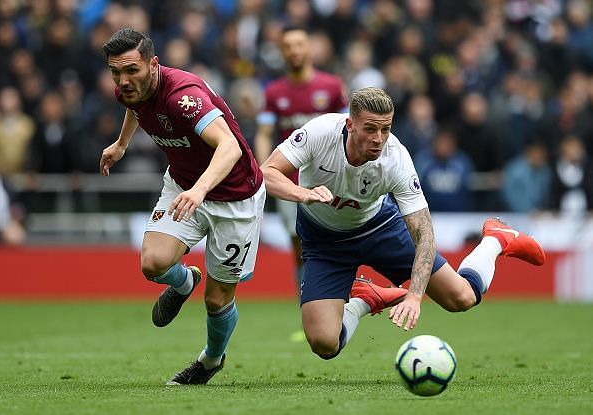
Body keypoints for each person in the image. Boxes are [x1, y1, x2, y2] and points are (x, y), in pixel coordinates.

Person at [260, 87, 545, 360]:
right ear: (350, 124)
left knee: (462, 298)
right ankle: (365, 301)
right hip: (324, 241)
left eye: (386, 129)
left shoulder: (396, 159)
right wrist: (302, 194)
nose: (378, 138)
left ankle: (496, 238)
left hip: (378, 228)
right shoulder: (318, 133)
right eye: (370, 129)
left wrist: (414, 297)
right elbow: (267, 173)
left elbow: (424, 235)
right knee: (324, 344)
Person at [100, 28, 265, 385]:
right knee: (153, 262)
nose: (123, 81)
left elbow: (230, 147)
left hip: (235, 196)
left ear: (154, 64)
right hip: (185, 184)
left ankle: (210, 360)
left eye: (131, 70)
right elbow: (136, 108)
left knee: (217, 301)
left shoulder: (183, 97)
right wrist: (121, 143)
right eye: (116, 72)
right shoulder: (130, 89)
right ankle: (183, 281)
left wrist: (201, 190)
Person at [254, 25, 347, 299]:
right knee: (300, 247)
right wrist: (265, 173)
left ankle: (341, 301)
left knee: (335, 242)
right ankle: (306, 304)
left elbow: (348, 128)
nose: (294, 50)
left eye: (299, 44)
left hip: (329, 179)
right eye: (288, 46)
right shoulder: (273, 92)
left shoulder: (330, 87)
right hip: (290, 184)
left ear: (309, 48)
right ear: (282, 52)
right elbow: (263, 134)